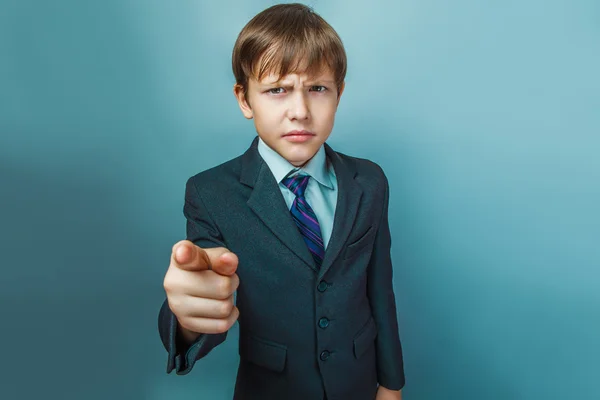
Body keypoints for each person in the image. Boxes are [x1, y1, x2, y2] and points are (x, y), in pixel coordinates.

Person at [158, 3, 405, 399]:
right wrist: (188, 318)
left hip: (358, 385)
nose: (300, 112)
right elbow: (204, 282)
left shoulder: (369, 181)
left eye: (318, 89)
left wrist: (391, 384)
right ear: (244, 99)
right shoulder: (211, 192)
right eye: (277, 90)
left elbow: (381, 291)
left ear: (339, 94)